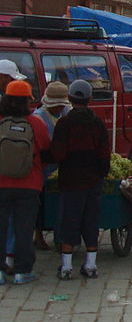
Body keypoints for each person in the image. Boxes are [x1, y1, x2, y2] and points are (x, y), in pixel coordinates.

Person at [50, 80, 110, 280]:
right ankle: (91, 265)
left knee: (70, 221)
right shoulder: (97, 123)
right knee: (90, 220)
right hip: (93, 180)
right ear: (89, 99)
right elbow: (104, 153)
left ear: (69, 99)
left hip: (70, 180)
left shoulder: (64, 124)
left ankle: (66, 267)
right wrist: (102, 173)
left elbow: (58, 153)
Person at [0, 80, 51, 285]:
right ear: (27, 101)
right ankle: (23, 272)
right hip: (29, 183)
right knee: (24, 228)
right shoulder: (35, 123)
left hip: (1, 183)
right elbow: (47, 149)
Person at [31, 81, 71, 250]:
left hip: (62, 165)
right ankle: (38, 234)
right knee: (40, 201)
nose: (59, 108)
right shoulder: (39, 117)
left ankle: (60, 231)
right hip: (43, 165)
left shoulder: (67, 113)